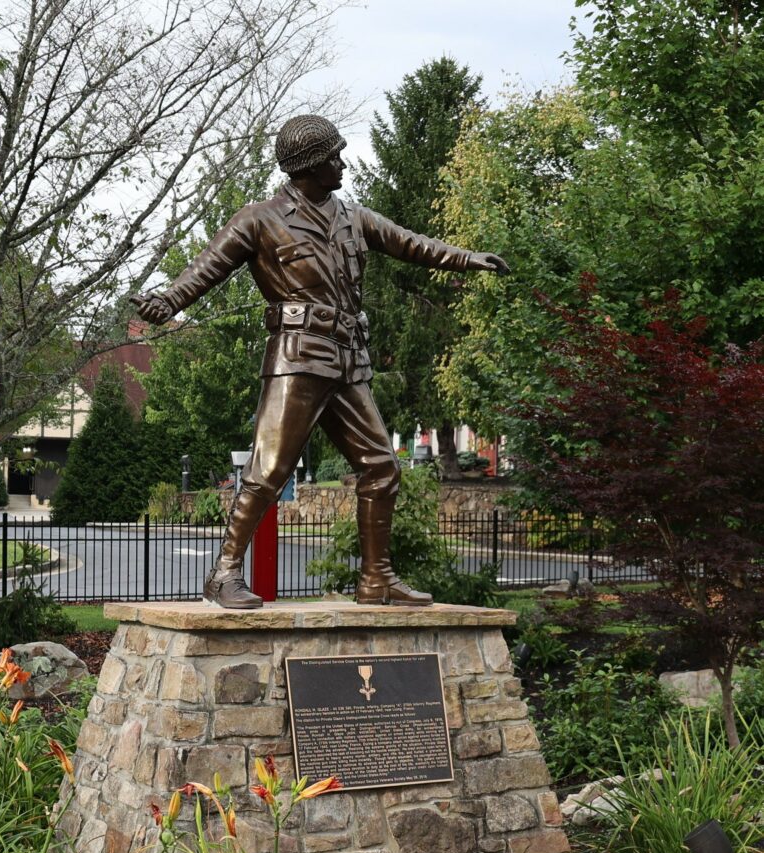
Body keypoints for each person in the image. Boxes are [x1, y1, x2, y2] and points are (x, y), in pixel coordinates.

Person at [133, 114, 508, 609]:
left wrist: (468, 257)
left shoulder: (354, 217)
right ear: (310, 165)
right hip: (298, 359)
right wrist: (167, 302)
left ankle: (377, 579)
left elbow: (412, 243)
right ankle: (223, 574)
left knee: (382, 468)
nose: (343, 164)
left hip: (348, 362)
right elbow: (206, 269)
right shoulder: (259, 219)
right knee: (268, 471)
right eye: (335, 157)